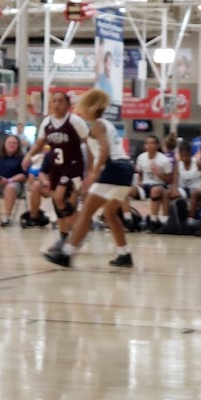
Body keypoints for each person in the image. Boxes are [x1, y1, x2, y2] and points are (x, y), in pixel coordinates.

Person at [45, 89, 134, 268]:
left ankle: (67, 253)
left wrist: (94, 173)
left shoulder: (98, 124)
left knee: (86, 212)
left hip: (113, 168)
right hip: (127, 169)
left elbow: (105, 149)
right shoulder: (106, 124)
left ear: (90, 108)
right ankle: (124, 254)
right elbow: (99, 150)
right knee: (110, 213)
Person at [20, 91, 89, 254]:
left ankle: (79, 230)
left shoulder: (75, 121)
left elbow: (89, 142)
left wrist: (92, 167)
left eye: (60, 101)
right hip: (56, 167)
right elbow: (39, 143)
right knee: (58, 201)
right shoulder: (47, 122)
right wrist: (29, 155)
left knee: (59, 197)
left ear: (67, 105)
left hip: (73, 166)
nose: (56, 104)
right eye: (54, 101)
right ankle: (65, 236)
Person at [129, 135, 173, 231]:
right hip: (145, 185)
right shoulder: (141, 157)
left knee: (155, 190)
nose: (149, 145)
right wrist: (139, 181)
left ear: (157, 145)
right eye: (147, 143)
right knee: (126, 190)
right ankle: (128, 218)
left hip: (160, 185)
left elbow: (170, 180)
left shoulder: (164, 159)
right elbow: (140, 173)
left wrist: (158, 174)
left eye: (152, 143)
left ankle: (153, 221)